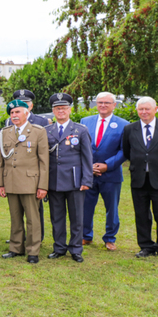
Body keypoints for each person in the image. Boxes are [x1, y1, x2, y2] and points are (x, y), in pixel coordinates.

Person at [0, 99, 49, 264]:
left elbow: (44, 162)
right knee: (15, 217)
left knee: (33, 219)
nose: (14, 115)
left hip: (30, 183)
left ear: (27, 113)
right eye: (12, 113)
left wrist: (42, 186)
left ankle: (33, 251)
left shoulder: (37, 131)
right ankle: (15, 247)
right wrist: (0, 183)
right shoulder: (5, 132)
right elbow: (0, 161)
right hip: (11, 181)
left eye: (17, 112)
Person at [45, 93, 93, 263]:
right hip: (54, 181)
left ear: (70, 110)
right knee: (56, 217)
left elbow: (88, 158)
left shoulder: (80, 130)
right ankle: (59, 247)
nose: (61, 111)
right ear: (53, 111)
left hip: (75, 181)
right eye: (57, 109)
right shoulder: (46, 131)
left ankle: (75, 249)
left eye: (64, 108)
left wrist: (87, 180)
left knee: (76, 218)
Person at [80, 92, 127, 251]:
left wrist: (107, 165)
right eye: (100, 102)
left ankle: (109, 238)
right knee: (86, 206)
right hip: (88, 173)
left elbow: (124, 150)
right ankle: (86, 236)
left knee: (112, 209)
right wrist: (89, 165)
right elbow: (81, 147)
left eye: (107, 102)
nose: (103, 105)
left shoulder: (123, 124)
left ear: (114, 105)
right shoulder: (85, 122)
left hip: (111, 174)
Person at [121, 97, 158, 258]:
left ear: (155, 109)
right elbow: (127, 151)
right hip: (139, 178)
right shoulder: (130, 129)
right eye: (140, 109)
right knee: (141, 215)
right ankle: (146, 246)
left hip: (157, 178)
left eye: (147, 109)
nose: (144, 112)